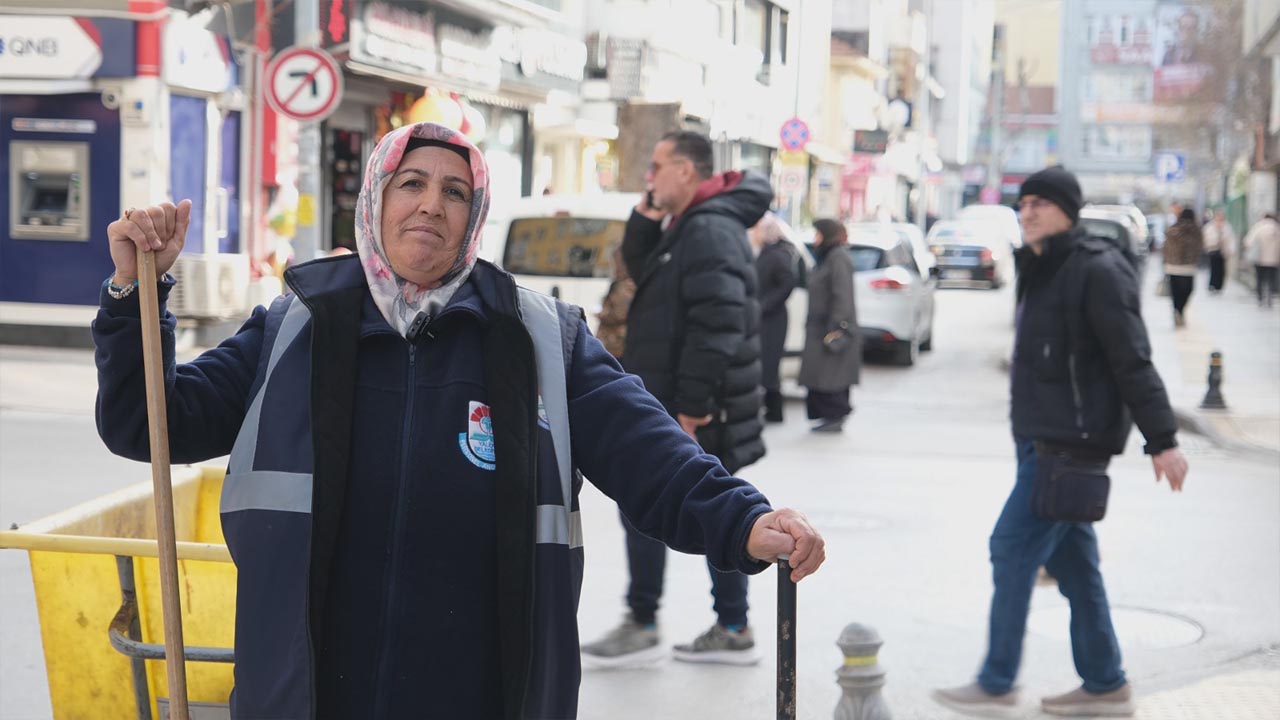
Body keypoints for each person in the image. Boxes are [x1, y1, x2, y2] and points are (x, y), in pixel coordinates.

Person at [94, 122, 826, 719]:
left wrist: (742, 521)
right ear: (375, 200)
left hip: (482, 692)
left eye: (454, 191)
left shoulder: (539, 337)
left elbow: (650, 451)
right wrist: (135, 293)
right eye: (410, 183)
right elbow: (149, 423)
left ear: (473, 217)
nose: (430, 205)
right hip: (309, 693)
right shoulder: (297, 328)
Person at [934, 166, 1188, 718]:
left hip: (1069, 444)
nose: (1027, 212)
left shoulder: (1096, 270)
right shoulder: (1041, 266)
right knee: (1075, 568)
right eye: (1022, 203)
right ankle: (1104, 682)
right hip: (1040, 440)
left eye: (1040, 204)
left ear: (1067, 211)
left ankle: (997, 679)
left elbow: (1131, 358)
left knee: (1010, 547)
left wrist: (1162, 439)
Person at [581, 130, 773, 668]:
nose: (650, 177)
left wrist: (691, 410)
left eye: (657, 166)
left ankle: (723, 625)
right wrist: (643, 222)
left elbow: (720, 324)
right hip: (678, 400)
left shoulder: (709, 229)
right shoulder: (688, 225)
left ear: (686, 171)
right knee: (661, 507)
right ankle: (655, 618)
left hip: (697, 408)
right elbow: (647, 282)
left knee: (713, 511)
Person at [798, 218, 860, 433]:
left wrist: (837, 325)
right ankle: (826, 415)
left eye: (817, 234)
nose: (814, 239)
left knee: (832, 374)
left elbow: (842, 294)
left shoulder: (838, 258)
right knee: (821, 374)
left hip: (830, 328)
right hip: (819, 327)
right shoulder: (826, 257)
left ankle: (835, 415)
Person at [751, 212, 799, 423]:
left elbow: (787, 284)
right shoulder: (767, 252)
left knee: (769, 365)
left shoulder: (778, 254)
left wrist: (764, 305)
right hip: (766, 317)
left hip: (773, 320)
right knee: (765, 365)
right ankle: (771, 410)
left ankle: (775, 411)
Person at [1163, 207, 1204, 327]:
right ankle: (1180, 311)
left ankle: (1177, 310)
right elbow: (1200, 247)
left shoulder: (1173, 229)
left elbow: (1166, 247)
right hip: (1188, 267)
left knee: (1175, 292)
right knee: (1188, 290)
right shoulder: (1196, 230)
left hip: (1172, 266)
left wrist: (1165, 262)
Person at [1243, 212, 1280, 307]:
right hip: (1273, 260)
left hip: (1259, 259)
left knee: (1260, 279)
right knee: (1271, 279)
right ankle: (1270, 296)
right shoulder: (1277, 228)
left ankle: (1260, 298)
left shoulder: (1259, 227)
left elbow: (1248, 241)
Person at [1201, 210, 1236, 293]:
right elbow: (1205, 237)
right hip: (1213, 249)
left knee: (1221, 269)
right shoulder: (1210, 226)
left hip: (1223, 250)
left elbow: (1231, 239)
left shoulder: (1227, 226)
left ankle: (1219, 286)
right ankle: (1212, 284)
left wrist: (1232, 249)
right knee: (1213, 268)